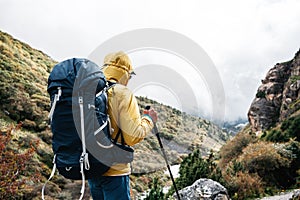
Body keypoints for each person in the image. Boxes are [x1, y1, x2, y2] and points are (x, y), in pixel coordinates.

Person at [88, 51, 158, 200]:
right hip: (115, 170)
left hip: (92, 167)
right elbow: (133, 136)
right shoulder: (122, 93)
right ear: (125, 73)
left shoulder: (91, 89)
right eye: (130, 76)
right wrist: (149, 120)